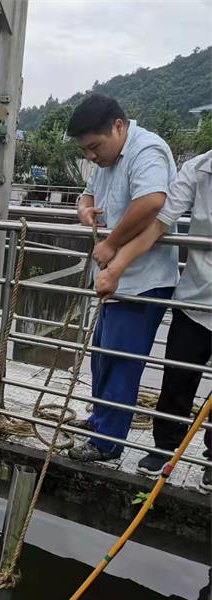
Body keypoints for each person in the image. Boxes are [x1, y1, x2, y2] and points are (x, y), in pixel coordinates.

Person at [65, 95, 179, 462]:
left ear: (119, 126)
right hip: (115, 279)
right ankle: (101, 422)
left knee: (121, 359)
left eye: (94, 147)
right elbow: (87, 195)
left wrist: (112, 244)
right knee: (102, 355)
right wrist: (84, 210)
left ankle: (107, 444)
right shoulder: (107, 158)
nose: (92, 157)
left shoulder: (147, 150)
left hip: (142, 279)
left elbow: (152, 202)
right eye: (86, 151)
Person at [95, 149, 212, 492]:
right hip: (196, 298)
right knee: (178, 377)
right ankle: (164, 448)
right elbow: (159, 224)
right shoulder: (197, 169)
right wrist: (116, 267)